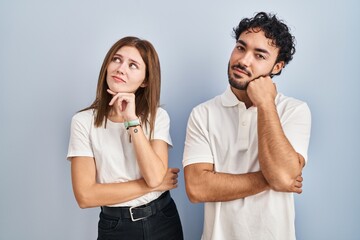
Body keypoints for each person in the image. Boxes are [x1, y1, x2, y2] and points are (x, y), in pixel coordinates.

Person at [183, 12, 311, 240]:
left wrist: (265, 104)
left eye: (260, 55)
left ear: (277, 66)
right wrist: (272, 179)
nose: (243, 60)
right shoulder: (203, 113)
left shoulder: (295, 110)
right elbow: (197, 188)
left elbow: (283, 176)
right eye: (241, 48)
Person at [67, 36, 183, 240]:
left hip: (163, 219)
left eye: (133, 65)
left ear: (145, 80)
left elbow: (155, 176)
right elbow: (85, 196)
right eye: (117, 59)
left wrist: (132, 119)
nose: (121, 69)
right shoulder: (83, 122)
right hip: (117, 226)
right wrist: (152, 185)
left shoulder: (157, 116)